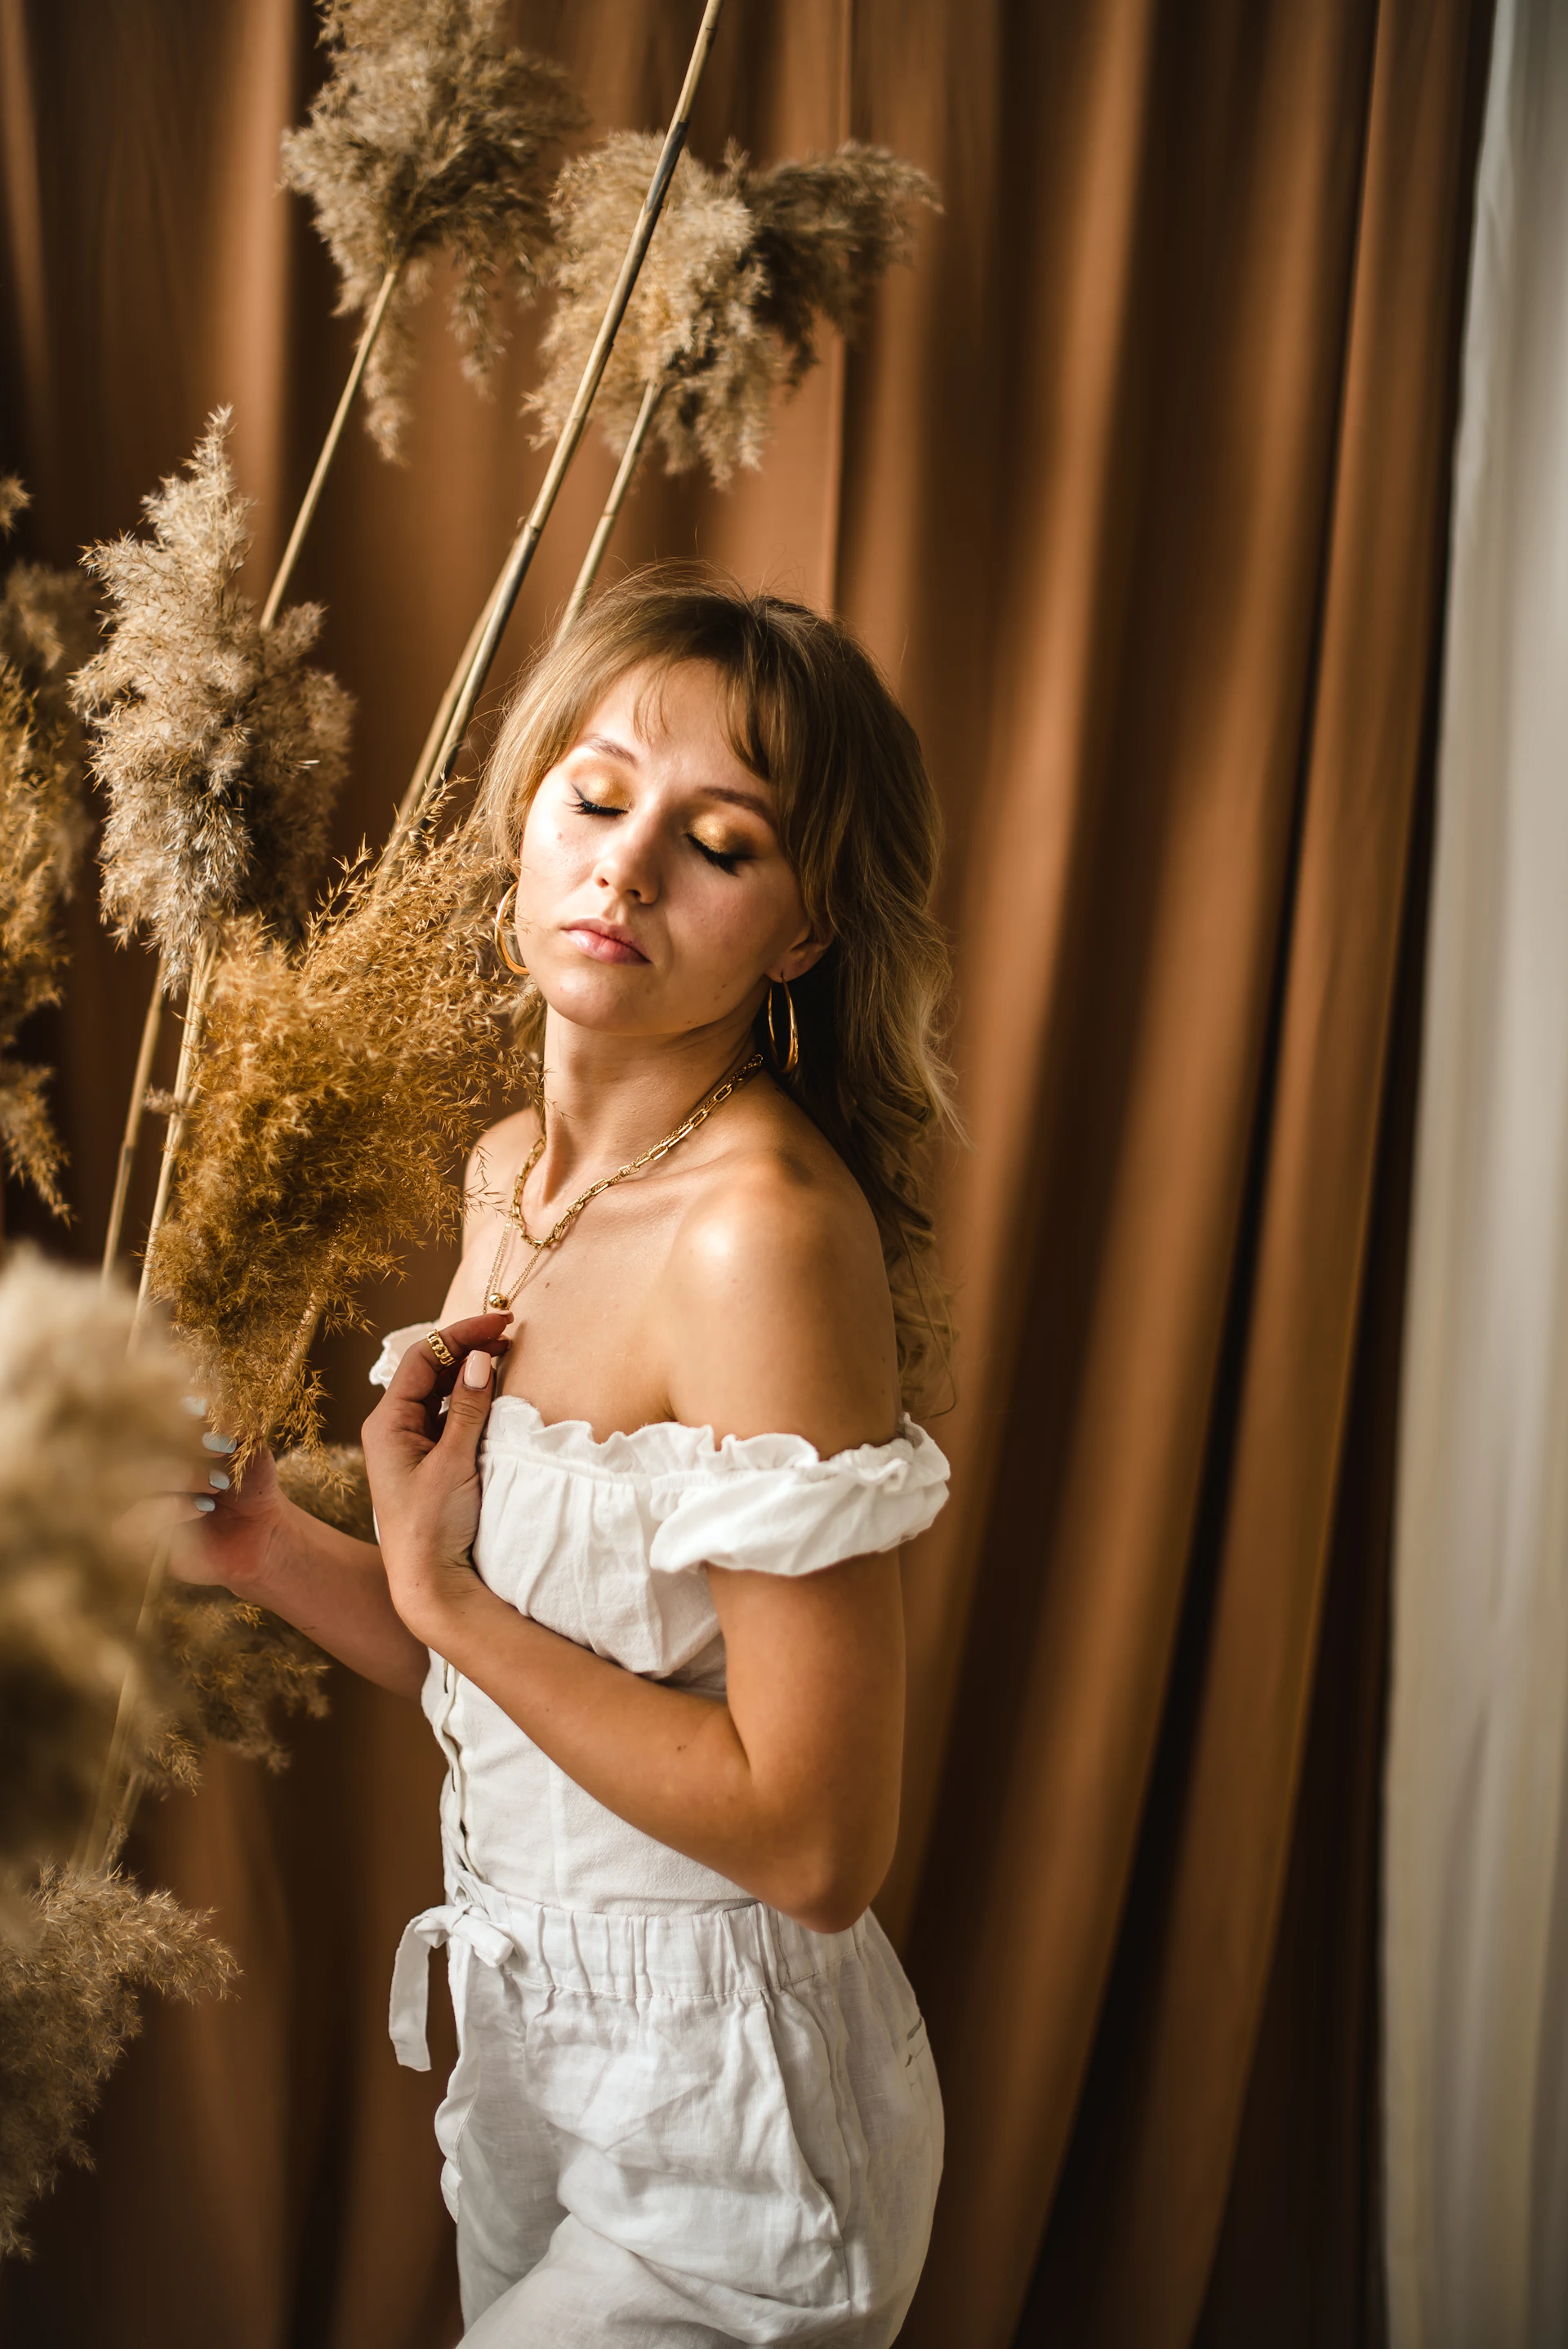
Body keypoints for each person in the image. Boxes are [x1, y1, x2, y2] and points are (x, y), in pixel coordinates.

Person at [176, 568, 956, 2346]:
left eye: (720, 840)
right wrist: (267, 1547)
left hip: (736, 2131)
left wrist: (442, 1588)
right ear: (526, 818)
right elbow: (507, 1676)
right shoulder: (507, 1174)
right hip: (533, 2085)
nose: (626, 864)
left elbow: (820, 1841)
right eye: (598, 799)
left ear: (804, 928)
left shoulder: (759, 1235)